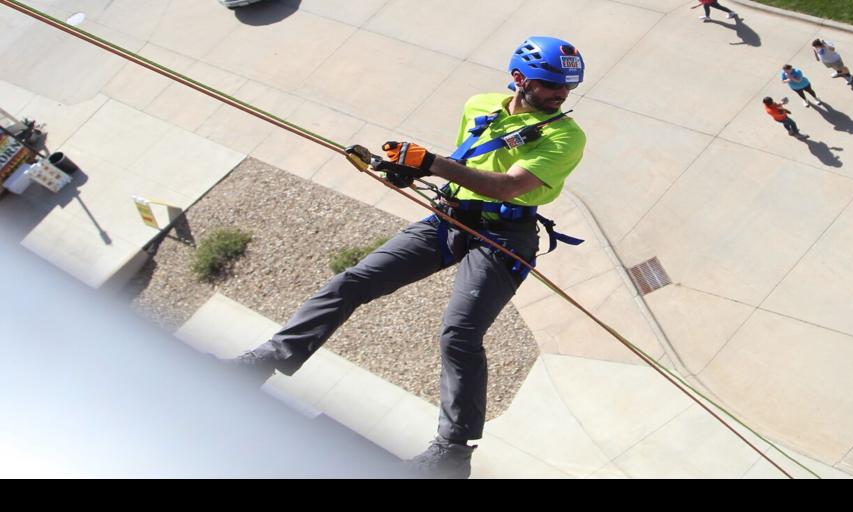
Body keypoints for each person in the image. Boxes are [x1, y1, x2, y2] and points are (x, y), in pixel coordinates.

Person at [221, 36, 589, 479]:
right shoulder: (481, 105)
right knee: (353, 281)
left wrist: (428, 162)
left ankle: (453, 453)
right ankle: (269, 357)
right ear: (518, 79)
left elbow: (504, 187)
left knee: (459, 334)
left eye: (567, 86)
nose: (561, 94)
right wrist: (411, 168)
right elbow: (468, 164)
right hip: (449, 219)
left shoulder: (566, 135)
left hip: (504, 237)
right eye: (551, 84)